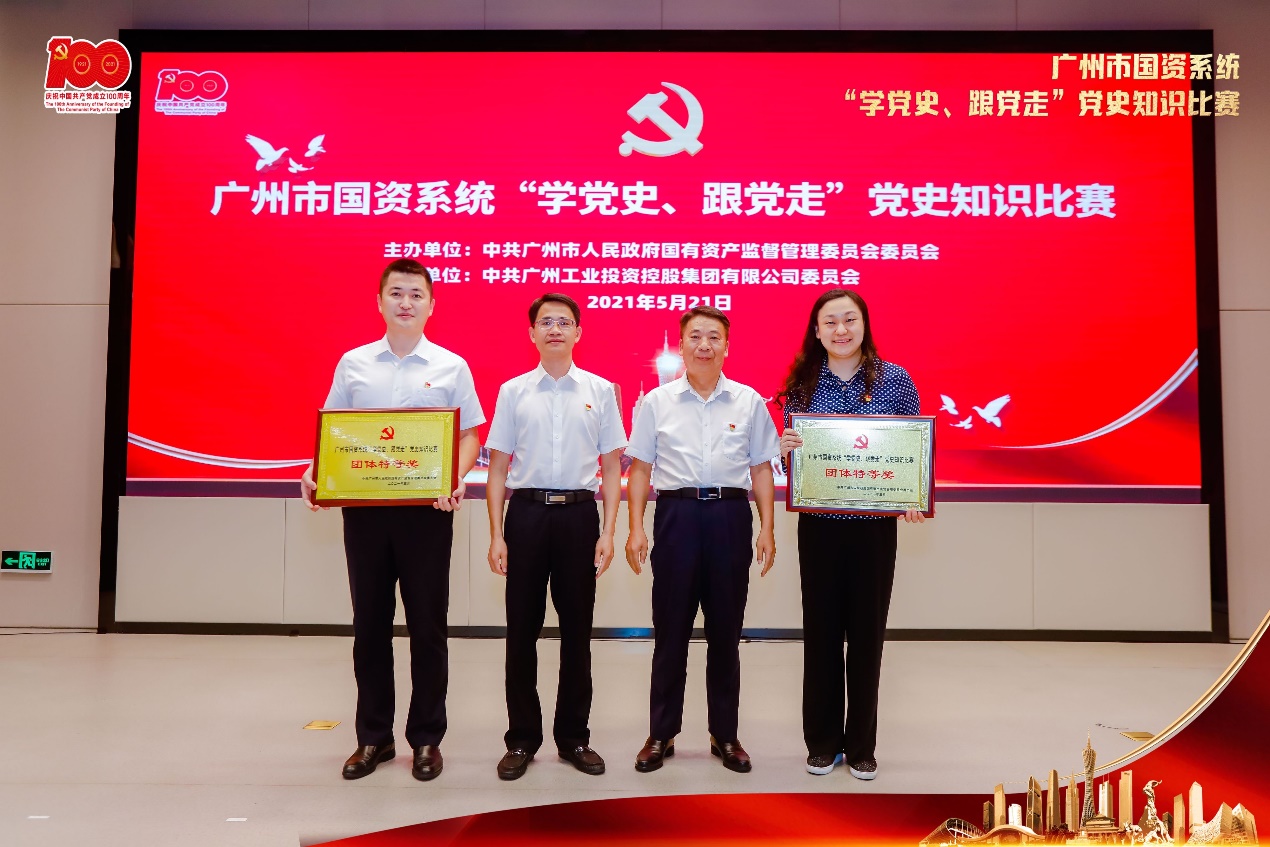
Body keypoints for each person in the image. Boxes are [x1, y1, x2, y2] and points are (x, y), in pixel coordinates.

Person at [300, 258, 484, 782]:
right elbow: (334, 433)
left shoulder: (451, 366)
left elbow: (469, 434)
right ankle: (373, 737)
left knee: (428, 628)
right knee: (370, 626)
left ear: (431, 305)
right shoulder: (354, 363)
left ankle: (426, 738)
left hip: (428, 514)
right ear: (379, 301)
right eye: (397, 293)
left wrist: (456, 477)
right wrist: (315, 471)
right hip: (365, 514)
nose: (406, 302)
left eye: (416, 294)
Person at [776, 288, 925, 781]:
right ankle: (821, 743)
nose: (841, 330)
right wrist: (786, 449)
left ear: (864, 325)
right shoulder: (802, 384)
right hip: (819, 528)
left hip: (874, 532)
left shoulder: (895, 380)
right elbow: (793, 466)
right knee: (820, 636)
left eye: (850, 320)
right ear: (816, 331)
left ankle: (861, 745)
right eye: (830, 322)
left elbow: (912, 450)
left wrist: (912, 492)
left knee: (867, 638)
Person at [624, 306, 780, 774]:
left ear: (727, 346)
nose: (704, 345)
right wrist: (636, 527)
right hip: (677, 516)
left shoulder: (748, 401)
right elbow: (640, 469)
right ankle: (661, 733)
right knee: (670, 631)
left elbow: (761, 469)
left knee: (725, 634)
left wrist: (767, 527)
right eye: (695, 336)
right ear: (681, 345)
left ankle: (725, 734)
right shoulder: (657, 402)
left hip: (730, 517)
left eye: (714, 336)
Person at [485, 293, 626, 780]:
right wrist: (496, 534)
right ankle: (522, 739)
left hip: (579, 518)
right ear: (532, 333)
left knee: (577, 633)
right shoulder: (513, 392)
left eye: (564, 322)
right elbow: (498, 467)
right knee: (520, 632)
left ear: (578, 333)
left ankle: (574, 738)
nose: (555, 330)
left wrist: (608, 530)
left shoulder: (600, 391)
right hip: (525, 516)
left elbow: (613, 466)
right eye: (546, 322)